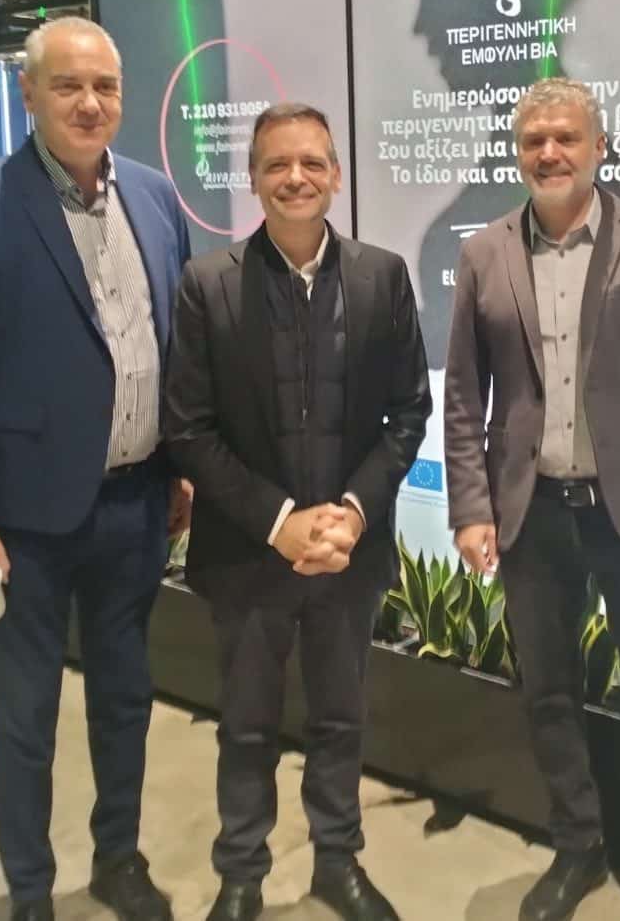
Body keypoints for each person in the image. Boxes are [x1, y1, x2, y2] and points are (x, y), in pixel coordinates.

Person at [0, 16, 193, 921]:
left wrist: (181, 465)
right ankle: (31, 891)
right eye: (68, 85)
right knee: (25, 717)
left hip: (136, 505)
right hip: (24, 523)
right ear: (29, 92)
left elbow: (173, 346)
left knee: (125, 699)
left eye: (104, 86)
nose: (88, 102)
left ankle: (119, 857)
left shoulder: (155, 198)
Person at [442, 78, 620, 921]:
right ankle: (578, 846)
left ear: (599, 147)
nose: (549, 153)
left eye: (566, 137)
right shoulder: (484, 253)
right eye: (534, 140)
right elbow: (463, 396)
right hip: (531, 514)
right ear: (518, 153)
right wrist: (470, 506)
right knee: (548, 694)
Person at [163, 102, 431, 921]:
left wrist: (351, 511)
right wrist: (280, 522)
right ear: (253, 178)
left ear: (336, 175)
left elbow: (408, 412)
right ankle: (241, 874)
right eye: (277, 163)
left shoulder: (383, 277)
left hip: (349, 553)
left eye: (312, 162)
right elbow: (189, 428)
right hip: (249, 553)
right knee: (245, 726)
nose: (296, 177)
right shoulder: (208, 285)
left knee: (341, 719)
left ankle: (336, 863)